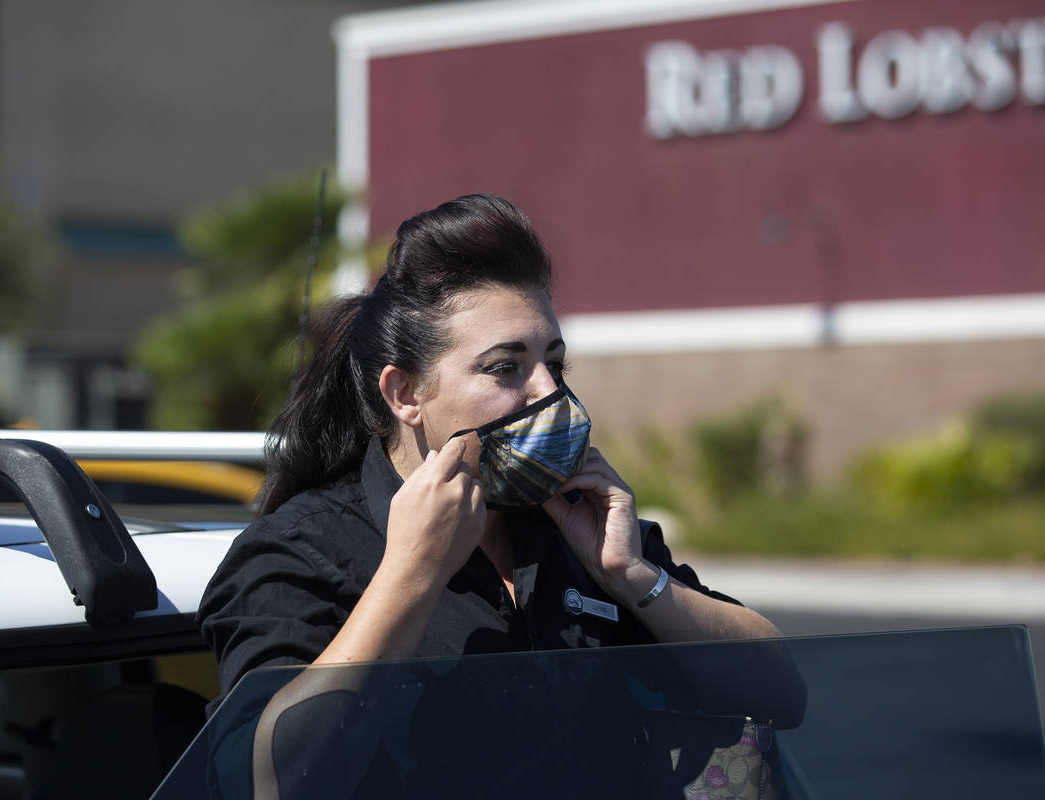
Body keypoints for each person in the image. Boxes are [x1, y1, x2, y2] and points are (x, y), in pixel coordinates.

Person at [196, 194, 798, 795]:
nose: (547, 393)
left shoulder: (573, 525)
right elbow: (270, 780)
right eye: (505, 368)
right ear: (405, 394)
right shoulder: (300, 551)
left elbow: (781, 692)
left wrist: (634, 576)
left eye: (553, 365)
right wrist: (412, 575)